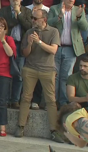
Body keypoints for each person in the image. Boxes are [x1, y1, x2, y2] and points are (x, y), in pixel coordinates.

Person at [14, 9, 64, 143]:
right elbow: (25, 53)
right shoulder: (29, 32)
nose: (33, 20)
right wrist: (30, 43)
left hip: (48, 69)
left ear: (44, 20)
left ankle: (54, 130)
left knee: (51, 101)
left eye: (35, 18)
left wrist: (39, 42)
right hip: (30, 68)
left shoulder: (53, 31)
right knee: (26, 97)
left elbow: (53, 50)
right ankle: (21, 126)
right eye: (32, 18)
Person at [48, 0, 88, 107]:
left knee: (66, 76)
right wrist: (59, 16)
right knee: (54, 76)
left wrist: (80, 17)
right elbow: (49, 24)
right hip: (56, 47)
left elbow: (85, 27)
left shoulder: (78, 10)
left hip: (71, 48)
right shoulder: (55, 9)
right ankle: (52, 102)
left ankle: (63, 102)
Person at [0, 0, 32, 109]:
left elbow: (29, 26)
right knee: (5, 74)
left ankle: (15, 99)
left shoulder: (27, 12)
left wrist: (19, 14)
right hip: (6, 45)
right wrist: (16, 18)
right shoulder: (3, 11)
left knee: (19, 74)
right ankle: (4, 99)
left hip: (21, 45)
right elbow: (2, 26)